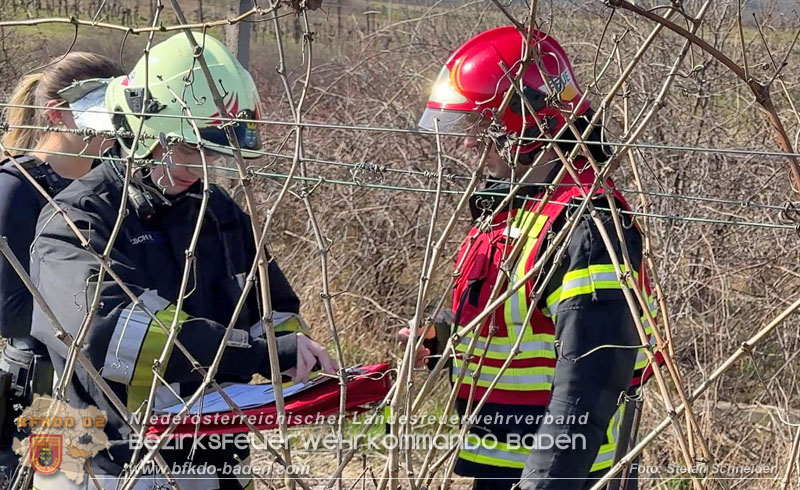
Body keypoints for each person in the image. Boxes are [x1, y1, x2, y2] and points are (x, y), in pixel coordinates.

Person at [29, 33, 336, 490]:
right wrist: (253, 352)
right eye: (191, 148)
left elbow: (273, 304)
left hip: (216, 458)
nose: (203, 167)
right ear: (144, 131)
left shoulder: (219, 212)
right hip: (108, 465)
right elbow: (112, 334)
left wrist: (295, 358)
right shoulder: (77, 218)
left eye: (213, 152)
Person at [404, 26, 662, 490]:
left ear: (524, 126)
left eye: (479, 129)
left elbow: (593, 375)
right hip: (507, 466)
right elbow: (514, 316)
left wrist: (545, 482)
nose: (466, 144)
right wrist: (443, 333)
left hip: (570, 475)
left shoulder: (588, 223)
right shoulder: (515, 207)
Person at [0, 52, 124, 486]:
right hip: (40, 391)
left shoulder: (113, 188)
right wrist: (93, 323)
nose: (114, 127)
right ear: (57, 113)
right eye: (102, 112)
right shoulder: (15, 188)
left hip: (111, 386)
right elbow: (7, 310)